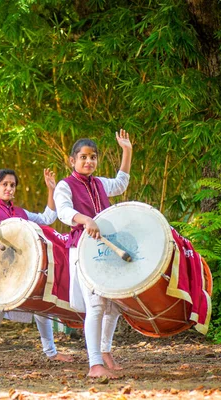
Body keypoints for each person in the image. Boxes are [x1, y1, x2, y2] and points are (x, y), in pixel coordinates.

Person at [0, 168, 74, 371]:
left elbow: (48, 218)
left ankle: (51, 353)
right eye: (5, 185)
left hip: (24, 268)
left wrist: (51, 189)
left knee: (41, 304)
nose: (9, 188)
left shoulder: (20, 213)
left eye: (12, 185)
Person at [54, 130, 132, 379]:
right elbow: (63, 212)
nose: (88, 162)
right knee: (96, 305)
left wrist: (127, 151)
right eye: (83, 157)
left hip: (107, 250)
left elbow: (120, 184)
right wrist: (85, 218)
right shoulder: (64, 185)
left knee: (114, 304)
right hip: (83, 250)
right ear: (72, 160)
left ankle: (105, 352)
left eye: (93, 157)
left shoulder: (99, 183)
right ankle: (94, 364)